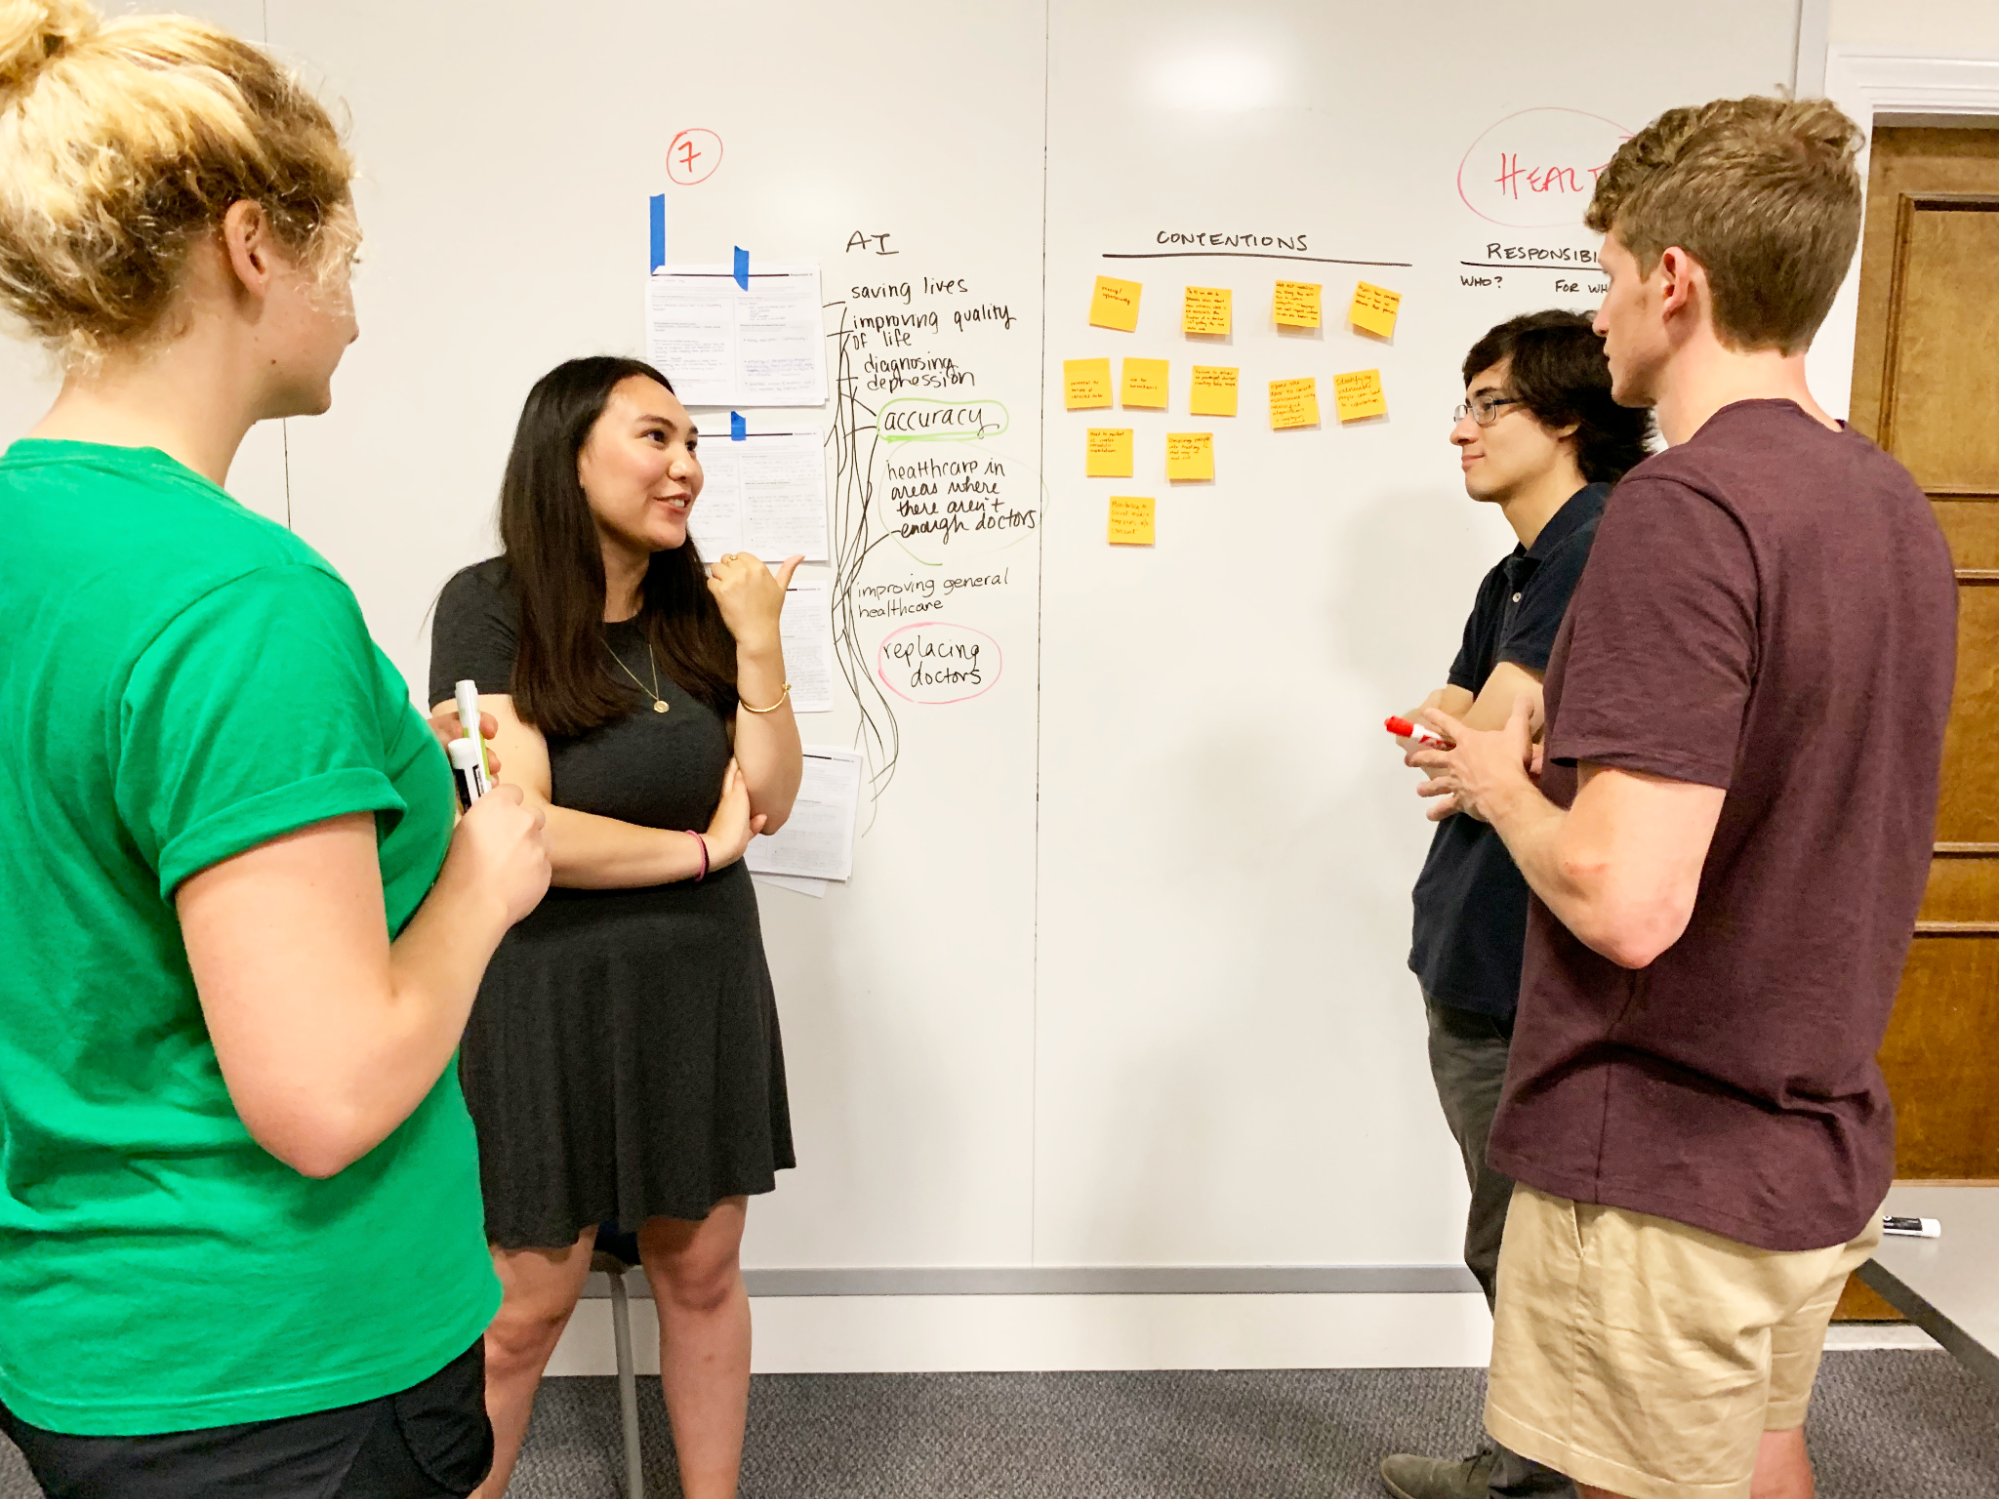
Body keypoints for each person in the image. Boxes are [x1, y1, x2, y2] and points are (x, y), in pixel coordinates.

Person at [0, 2, 551, 1495]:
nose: (357, 311)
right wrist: (489, 870)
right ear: (253, 244)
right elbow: (322, 1094)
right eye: (344, 260)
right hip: (282, 1366)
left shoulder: (34, 535)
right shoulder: (244, 601)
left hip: (88, 1337)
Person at [1410, 97, 1956, 1500]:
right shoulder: (1881, 499)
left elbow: (1624, 896)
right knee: (1766, 1467)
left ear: (1673, 281)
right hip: (1804, 1140)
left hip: (1660, 1164)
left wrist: (1502, 793)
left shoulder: (1678, 511)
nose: (1594, 318)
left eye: (1602, 274)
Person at [428, 356, 804, 1499]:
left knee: (702, 1270)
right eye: (655, 438)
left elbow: (770, 794)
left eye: (693, 444)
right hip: (544, 986)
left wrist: (759, 641)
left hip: (699, 981)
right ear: (569, 453)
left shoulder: (704, 613)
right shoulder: (486, 606)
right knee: (526, 1304)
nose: (685, 466)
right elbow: (521, 826)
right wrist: (698, 851)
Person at [1380, 312, 1650, 1500]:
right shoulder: (1518, 567)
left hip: (1532, 964)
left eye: (1490, 403)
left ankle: (1540, 1472)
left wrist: (1477, 750)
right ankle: (1535, 1462)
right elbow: (1449, 728)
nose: (1462, 427)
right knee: (1509, 1242)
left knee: (1527, 1249)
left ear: (1567, 417)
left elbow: (1482, 742)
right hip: (1477, 954)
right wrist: (1475, 747)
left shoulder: (1597, 544)